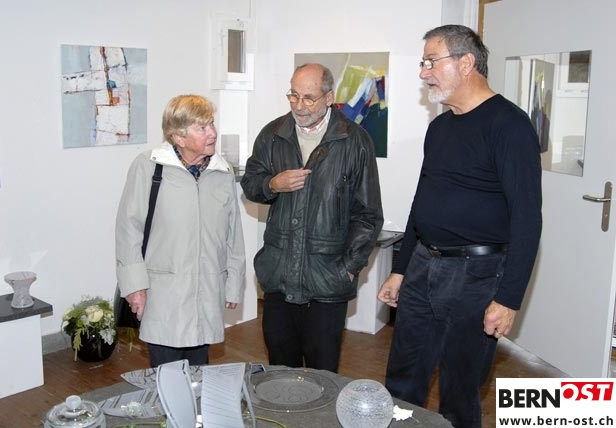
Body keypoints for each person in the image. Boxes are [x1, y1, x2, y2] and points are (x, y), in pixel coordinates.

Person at [377, 25, 542, 428]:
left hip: (477, 275)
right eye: (423, 63)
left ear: (466, 63)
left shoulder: (510, 125)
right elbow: (422, 201)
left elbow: (527, 218)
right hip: (423, 265)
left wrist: (508, 299)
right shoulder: (441, 126)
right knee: (402, 379)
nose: (423, 72)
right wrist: (400, 268)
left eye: (431, 62)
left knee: (459, 389)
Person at [241, 63, 383, 373]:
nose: (299, 105)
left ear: (329, 98)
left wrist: (349, 268)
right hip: (278, 276)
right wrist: (272, 184)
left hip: (327, 280)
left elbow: (368, 215)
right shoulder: (273, 135)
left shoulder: (355, 141)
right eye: (293, 95)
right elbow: (250, 183)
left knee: (323, 375)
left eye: (309, 98)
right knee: (280, 372)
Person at [115, 94, 246, 368]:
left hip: (207, 291)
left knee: (199, 374)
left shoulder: (221, 172)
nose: (212, 133)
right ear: (178, 137)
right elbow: (128, 230)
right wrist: (134, 287)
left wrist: (233, 284)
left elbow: (233, 235)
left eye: (211, 124)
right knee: (167, 376)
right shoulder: (150, 167)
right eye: (202, 127)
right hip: (164, 294)